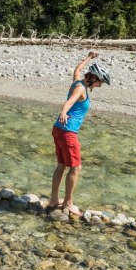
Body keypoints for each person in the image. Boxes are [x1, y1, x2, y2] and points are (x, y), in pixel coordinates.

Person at [49, 51, 111, 216]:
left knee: (62, 165)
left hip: (59, 129)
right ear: (94, 78)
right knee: (76, 168)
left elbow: (77, 69)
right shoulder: (81, 89)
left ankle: (54, 200)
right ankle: (68, 203)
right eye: (101, 82)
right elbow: (70, 101)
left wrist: (89, 57)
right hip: (68, 132)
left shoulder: (78, 81)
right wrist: (63, 112)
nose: (100, 85)